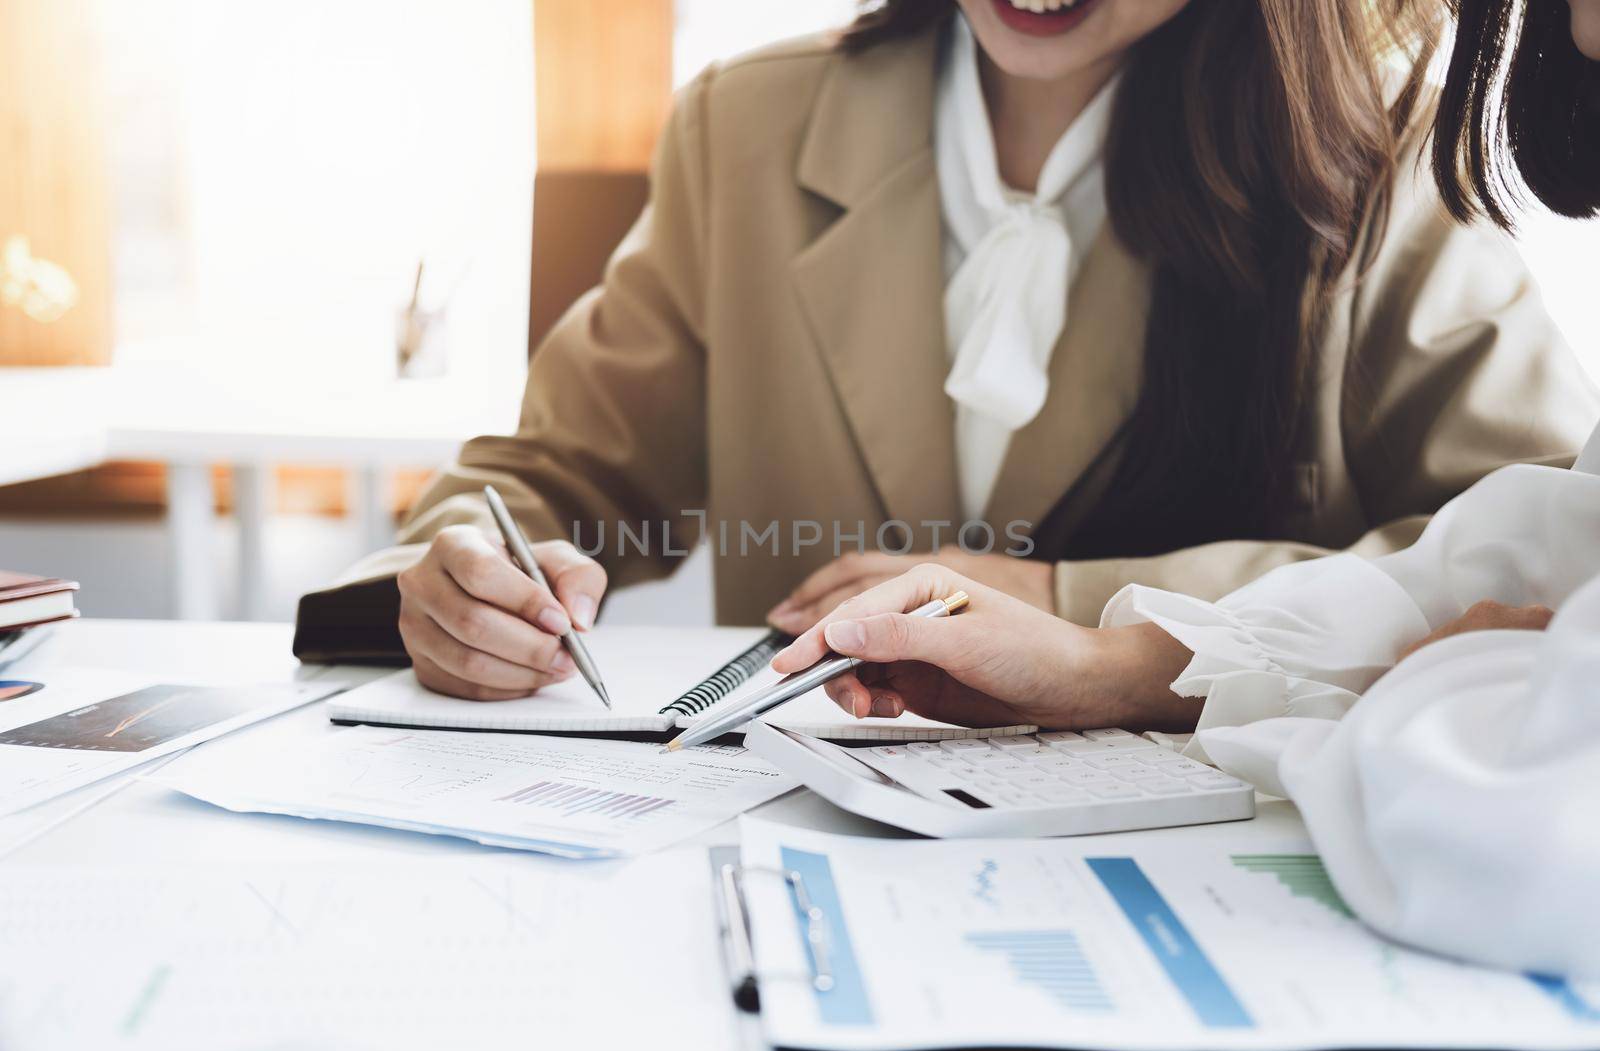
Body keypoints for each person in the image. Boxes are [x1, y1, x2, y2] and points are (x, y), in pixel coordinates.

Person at [294, 0, 1596, 704]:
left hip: (1210, 877)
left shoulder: (1386, 148)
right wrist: (460, 573)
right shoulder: (746, 129)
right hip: (787, 841)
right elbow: (546, 477)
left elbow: (1530, 561)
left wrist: (1067, 604)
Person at [773, 0, 1600, 979]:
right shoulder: (758, 116)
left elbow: (1513, 795)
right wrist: (1109, 659)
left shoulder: (1389, 161)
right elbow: (1537, 538)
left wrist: (1434, 686)